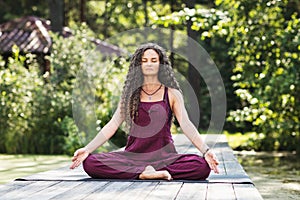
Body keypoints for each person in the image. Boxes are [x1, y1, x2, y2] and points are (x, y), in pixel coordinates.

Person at [70, 42, 219, 180]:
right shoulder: (129, 95)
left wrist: (206, 151)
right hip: (133, 157)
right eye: (144, 60)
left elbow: (186, 124)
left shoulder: (172, 93)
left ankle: (147, 171)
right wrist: (87, 149)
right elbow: (112, 125)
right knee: (90, 162)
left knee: (202, 166)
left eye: (154, 60)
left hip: (165, 157)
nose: (149, 64)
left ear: (161, 65)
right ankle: (143, 173)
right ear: (138, 65)